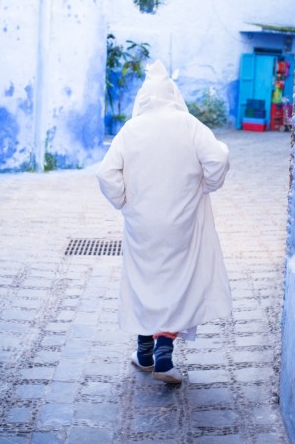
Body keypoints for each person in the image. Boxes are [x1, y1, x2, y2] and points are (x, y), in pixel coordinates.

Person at [97, 60, 232, 384]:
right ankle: (163, 356)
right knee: (175, 281)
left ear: (142, 99)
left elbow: (105, 173)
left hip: (141, 223)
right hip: (181, 222)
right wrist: (206, 186)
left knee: (143, 280)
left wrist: (124, 202)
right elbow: (218, 158)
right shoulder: (189, 125)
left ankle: (144, 353)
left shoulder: (131, 130)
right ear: (173, 96)